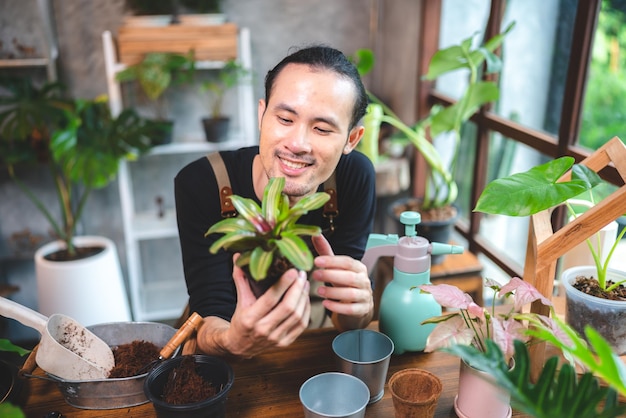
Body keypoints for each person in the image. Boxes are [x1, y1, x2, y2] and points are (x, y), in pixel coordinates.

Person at [174, 45, 376, 358]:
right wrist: (231, 341)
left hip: (309, 349)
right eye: (284, 118)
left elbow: (346, 314)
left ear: (351, 139)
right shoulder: (202, 182)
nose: (297, 144)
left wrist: (360, 308)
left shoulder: (354, 178)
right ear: (262, 114)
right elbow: (209, 310)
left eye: (321, 128)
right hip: (226, 352)